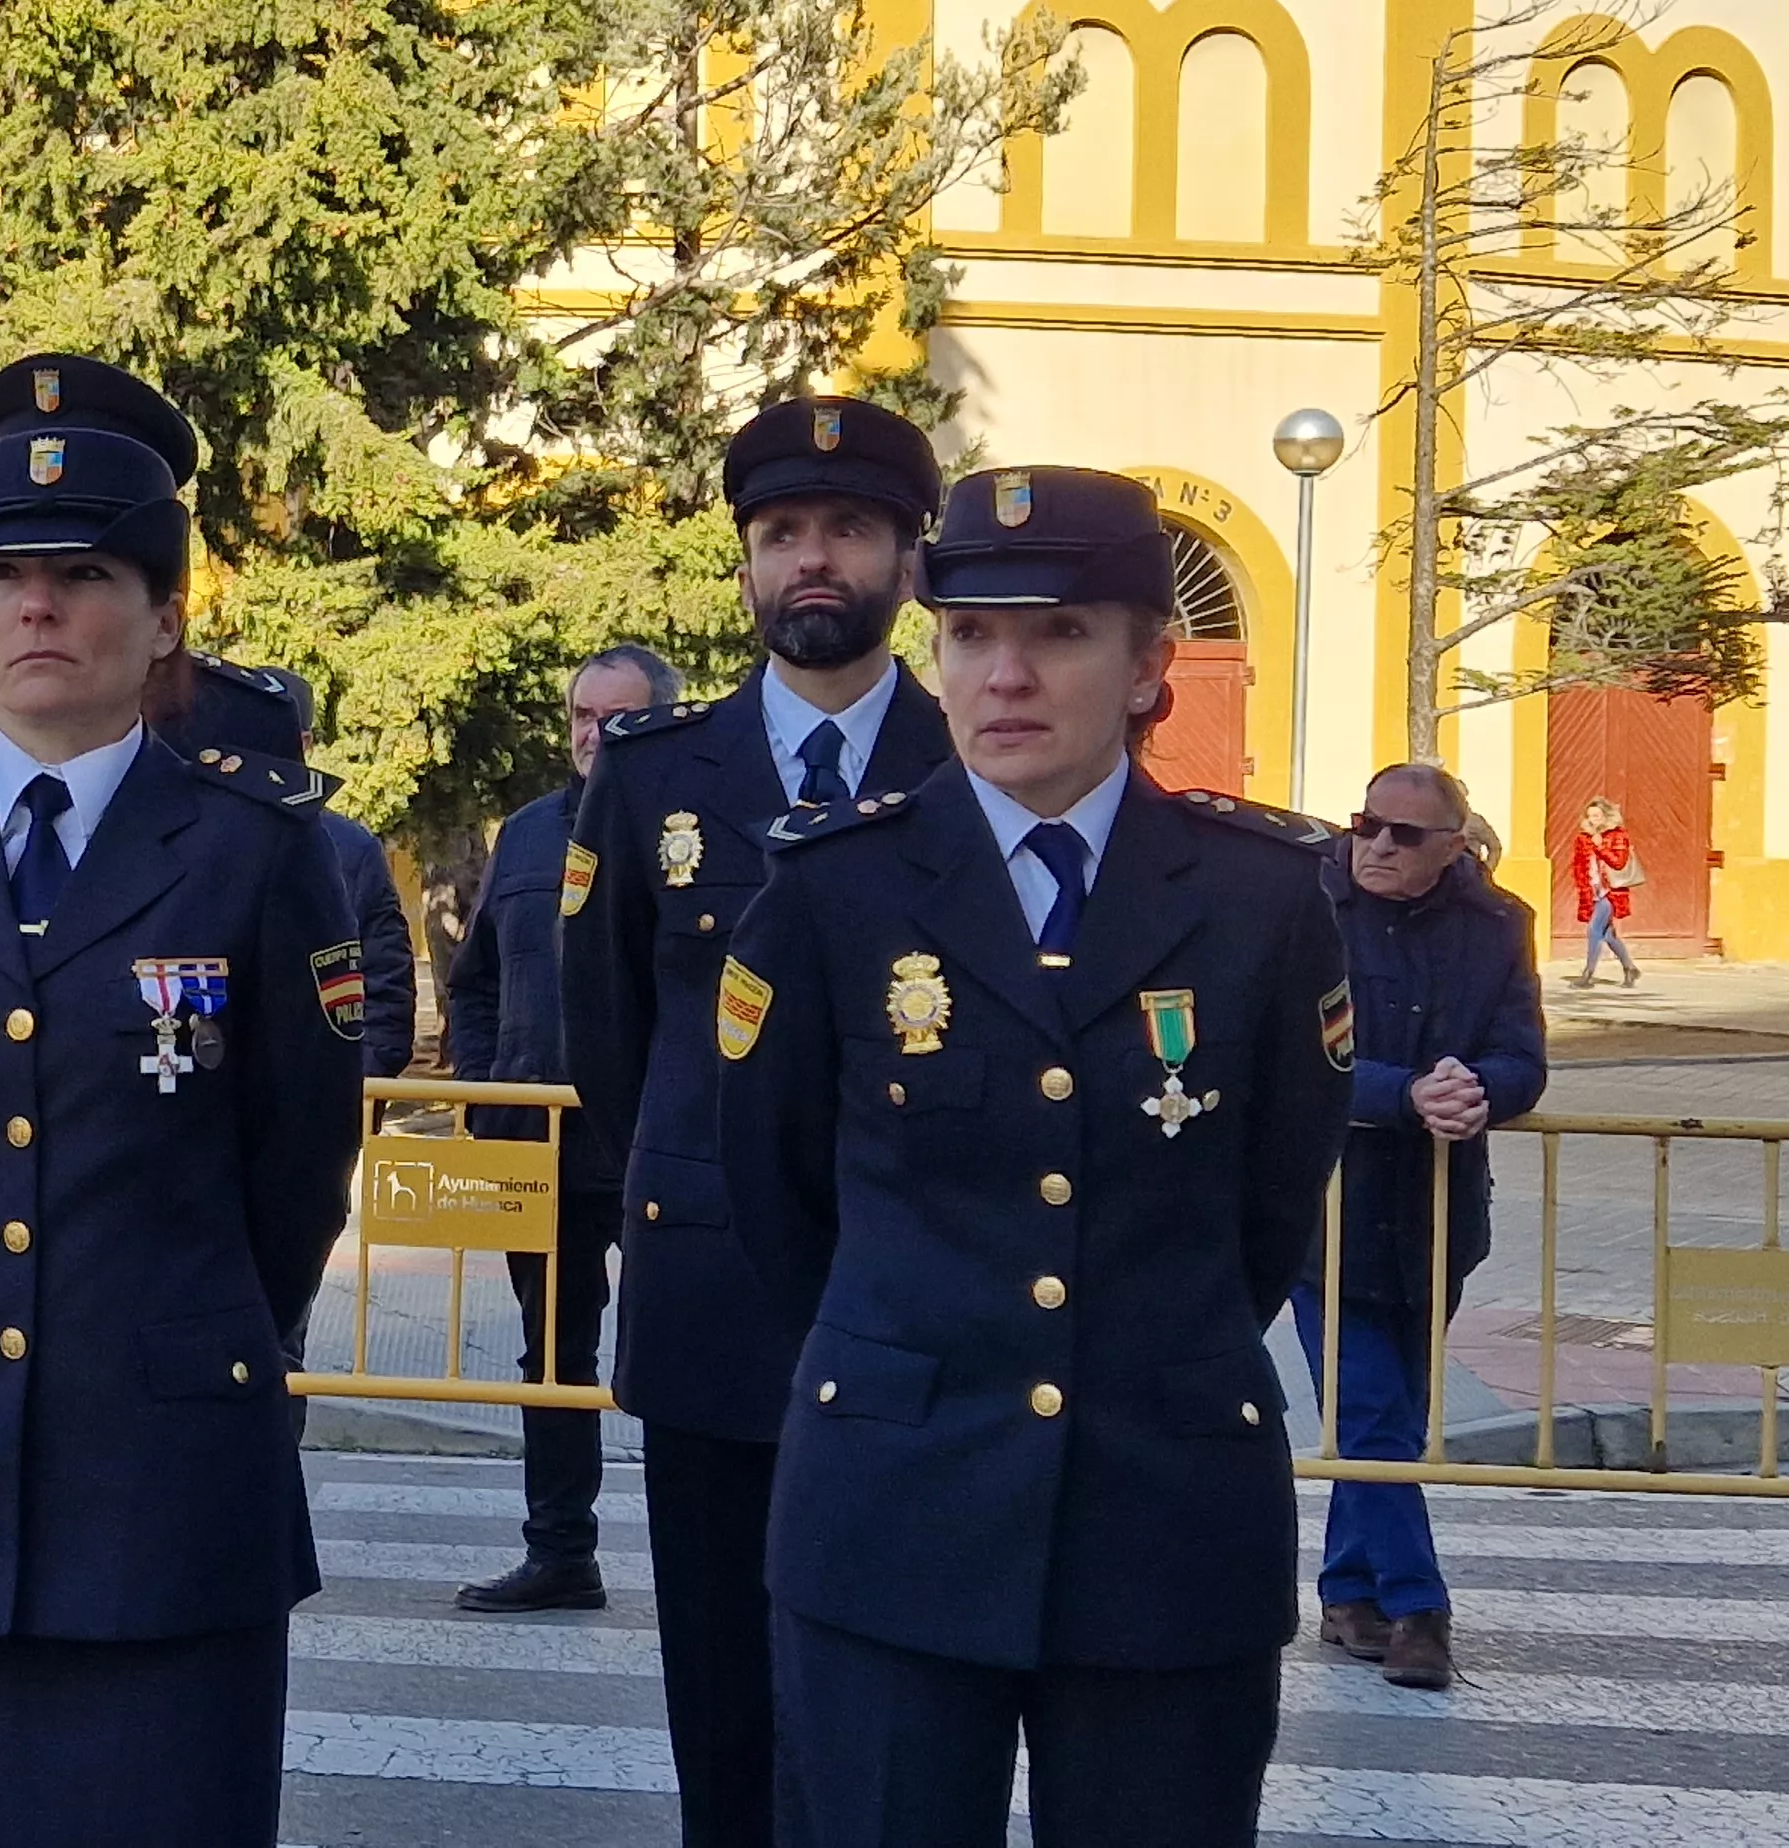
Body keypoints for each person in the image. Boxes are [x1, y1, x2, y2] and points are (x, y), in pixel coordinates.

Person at [0, 353, 363, 1848]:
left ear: (164, 619)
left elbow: (298, 1163)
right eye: (5, 576)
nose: (36, 607)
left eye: (84, 575)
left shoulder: (258, 849)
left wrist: (181, 1324)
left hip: (162, 1473)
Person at [719, 465, 1350, 1846]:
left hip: (1164, 1513)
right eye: (970, 635)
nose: (1005, 676)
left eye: (1059, 633)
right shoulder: (833, 888)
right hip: (895, 1503)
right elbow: (778, 1196)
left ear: (1148, 664)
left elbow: (1269, 1204)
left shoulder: (1258, 898)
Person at [557, 396, 951, 1844]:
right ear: (745, 565)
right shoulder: (655, 772)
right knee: (722, 1692)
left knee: (903, 1699)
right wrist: (694, 1174)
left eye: (848, 529)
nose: (813, 560)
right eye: (781, 533)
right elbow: (608, 1031)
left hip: (918, 1294)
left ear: (908, 563)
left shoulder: (970, 758)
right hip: (712, 1291)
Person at [444, 642, 674, 1614]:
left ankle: (701, 1562)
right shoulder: (530, 834)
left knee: (678, 1354)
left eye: (617, 719)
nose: (594, 735)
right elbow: (475, 981)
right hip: (533, 1142)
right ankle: (560, 1553)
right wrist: (486, 1086)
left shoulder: (691, 833)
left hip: (656, 1145)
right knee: (548, 1357)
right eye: (583, 716)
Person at [1306, 760, 1545, 1691]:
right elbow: (1293, 1054)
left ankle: (1347, 1591)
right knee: (1369, 1412)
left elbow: (1523, 1056)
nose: (1377, 846)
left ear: (1452, 846)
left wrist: (1478, 1090)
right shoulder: (1309, 906)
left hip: (1437, 1214)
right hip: (1323, 1215)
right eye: (1366, 824)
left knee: (1391, 1418)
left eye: (1405, 835)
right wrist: (1403, 1094)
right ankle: (1418, 1608)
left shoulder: (1497, 924)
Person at [282, 675, 413, 1079]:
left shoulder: (352, 851)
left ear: (305, 744)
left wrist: (351, 1090)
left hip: (319, 1097)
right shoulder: (193, 839)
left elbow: (386, 991)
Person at [1569, 796, 1639, 987]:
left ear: (1606, 816)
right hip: (1592, 891)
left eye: (1597, 816)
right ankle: (1630, 968)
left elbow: (1619, 862)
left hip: (1612, 892)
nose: (1593, 820)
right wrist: (1582, 888)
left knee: (1594, 929)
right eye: (1590, 816)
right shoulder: (1583, 838)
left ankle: (1588, 974)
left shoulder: (1617, 835)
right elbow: (1578, 865)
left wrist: (1600, 845)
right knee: (1607, 934)